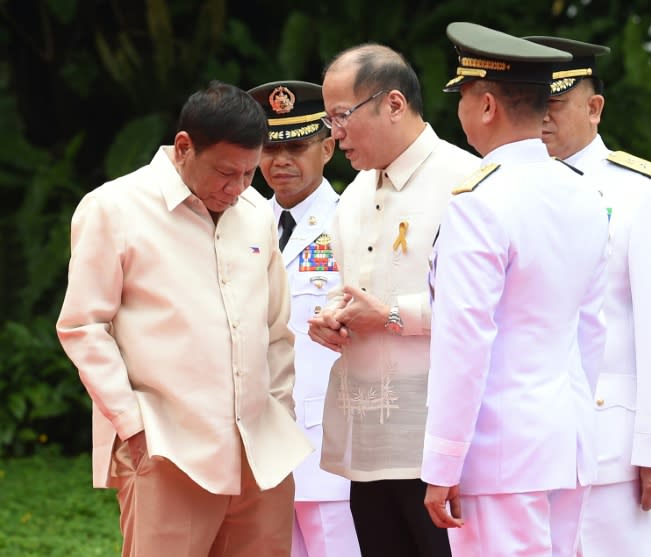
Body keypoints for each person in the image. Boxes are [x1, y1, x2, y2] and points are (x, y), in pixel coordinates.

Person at [56, 81, 312, 557]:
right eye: (224, 173)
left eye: (247, 174)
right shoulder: (114, 208)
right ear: (183, 147)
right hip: (167, 447)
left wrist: (278, 409)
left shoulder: (256, 214)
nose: (235, 189)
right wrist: (132, 426)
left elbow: (276, 330)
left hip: (262, 453)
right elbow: (83, 325)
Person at [421, 22, 609, 557]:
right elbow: (589, 331)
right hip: (567, 441)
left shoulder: (480, 200)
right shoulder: (585, 194)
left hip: (499, 451)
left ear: (485, 106)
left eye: (462, 97)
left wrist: (443, 463)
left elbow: (464, 342)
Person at [525, 35, 651, 556]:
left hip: (610, 450)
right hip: (524, 446)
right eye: (533, 103)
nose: (543, 117)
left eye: (555, 103)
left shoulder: (642, 193)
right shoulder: (506, 191)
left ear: (594, 107)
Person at [307, 44, 480, 556]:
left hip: (438, 440)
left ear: (394, 104)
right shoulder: (355, 194)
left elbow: (489, 310)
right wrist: (333, 320)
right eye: (329, 118)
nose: (333, 134)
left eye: (341, 116)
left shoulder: (464, 182)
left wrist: (391, 316)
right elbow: (350, 287)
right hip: (368, 438)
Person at [248, 80, 361, 557]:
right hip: (260, 433)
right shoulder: (243, 220)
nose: (281, 161)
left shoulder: (352, 218)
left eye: (296, 145)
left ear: (328, 147)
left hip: (328, 435)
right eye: (270, 147)